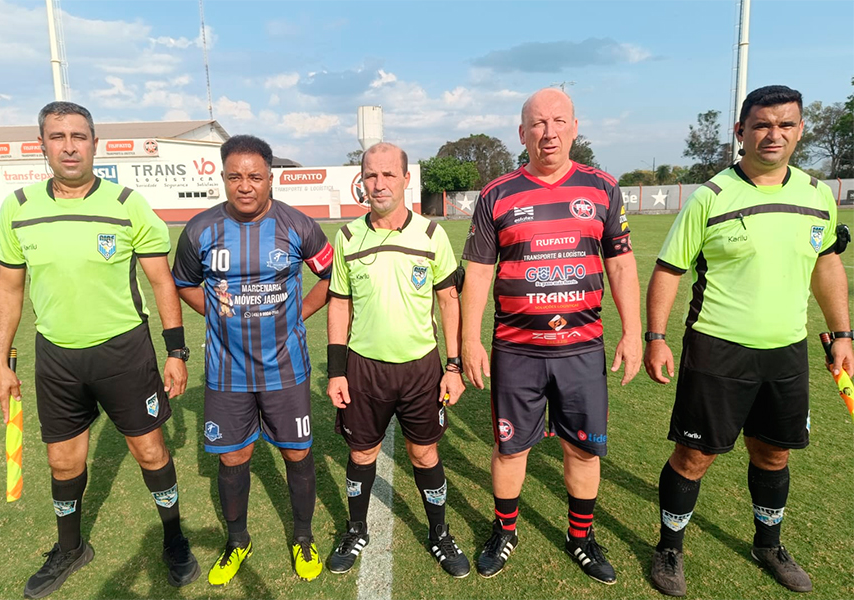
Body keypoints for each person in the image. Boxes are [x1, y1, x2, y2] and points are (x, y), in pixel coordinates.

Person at [644, 85, 852, 597]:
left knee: (774, 454)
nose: (773, 134)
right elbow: (669, 270)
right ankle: (669, 548)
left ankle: (768, 545)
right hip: (718, 349)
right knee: (694, 457)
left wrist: (843, 334)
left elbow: (826, 265)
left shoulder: (816, 195)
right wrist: (656, 337)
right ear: (741, 132)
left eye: (785, 124)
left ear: (800, 130)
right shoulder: (712, 196)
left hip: (787, 351)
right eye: (761, 124)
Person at [0, 101, 198, 599]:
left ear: (94, 144)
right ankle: (70, 548)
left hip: (123, 352)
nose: (69, 147)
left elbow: (161, 281)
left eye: (78, 136)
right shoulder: (18, 207)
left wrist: (176, 351)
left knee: (150, 450)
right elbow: (8, 289)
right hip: (57, 356)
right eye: (57, 137)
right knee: (63, 462)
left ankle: (173, 538)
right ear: (42, 145)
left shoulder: (127, 204)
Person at [461, 88, 642, 583]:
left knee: (583, 449)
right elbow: (478, 272)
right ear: (522, 133)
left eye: (558, 121)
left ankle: (580, 537)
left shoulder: (602, 188)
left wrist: (633, 332)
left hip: (581, 349)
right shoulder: (497, 194)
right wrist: (470, 341)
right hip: (516, 349)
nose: (549, 132)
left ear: (574, 128)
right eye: (538, 123)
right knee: (510, 448)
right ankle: (504, 530)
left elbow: (621, 264)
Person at [172, 135, 333, 584]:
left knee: (296, 451)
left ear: (270, 178)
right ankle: (237, 540)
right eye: (235, 176)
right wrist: (217, 313)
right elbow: (183, 282)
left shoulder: (298, 225)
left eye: (255, 176)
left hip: (285, 366)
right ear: (224, 178)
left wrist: (298, 313)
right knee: (233, 457)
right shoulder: (200, 230)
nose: (245, 186)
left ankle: (303, 537)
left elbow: (331, 275)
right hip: (227, 371)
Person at [325, 142, 470, 578]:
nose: (379, 183)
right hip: (363, 369)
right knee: (361, 453)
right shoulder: (347, 237)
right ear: (362, 181)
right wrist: (336, 372)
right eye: (371, 175)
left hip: (420, 368)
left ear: (406, 179)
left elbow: (449, 301)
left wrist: (454, 366)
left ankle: (440, 534)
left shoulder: (431, 234)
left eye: (389, 174)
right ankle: (355, 530)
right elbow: (339, 304)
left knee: (424, 454)